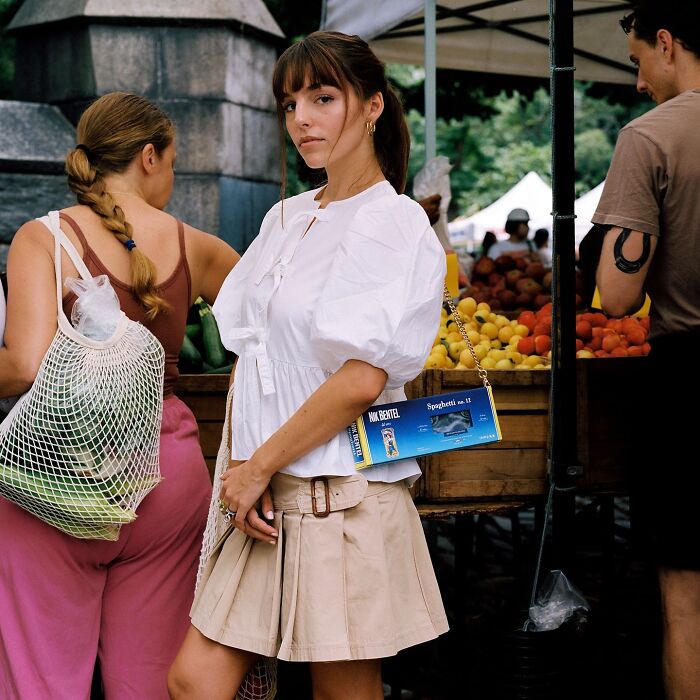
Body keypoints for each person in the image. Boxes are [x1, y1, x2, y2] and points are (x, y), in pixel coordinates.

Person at [168, 31, 449, 700]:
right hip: (264, 492)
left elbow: (360, 380)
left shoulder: (392, 221)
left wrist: (258, 464)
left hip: (338, 499)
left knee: (342, 695)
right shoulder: (287, 216)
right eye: (290, 104)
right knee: (194, 683)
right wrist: (252, 468)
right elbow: (255, 356)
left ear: (374, 105)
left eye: (323, 98)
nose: (302, 119)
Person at [0, 91, 239, 699]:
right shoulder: (197, 247)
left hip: (60, 477)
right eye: (176, 163)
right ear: (150, 157)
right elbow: (278, 337)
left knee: (42, 678)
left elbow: (25, 366)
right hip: (167, 479)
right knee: (153, 679)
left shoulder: (44, 237)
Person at [593, 2, 700, 698]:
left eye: (636, 62)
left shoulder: (652, 136)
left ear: (666, 43)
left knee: (686, 597)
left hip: (691, 381)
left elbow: (617, 297)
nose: (637, 82)